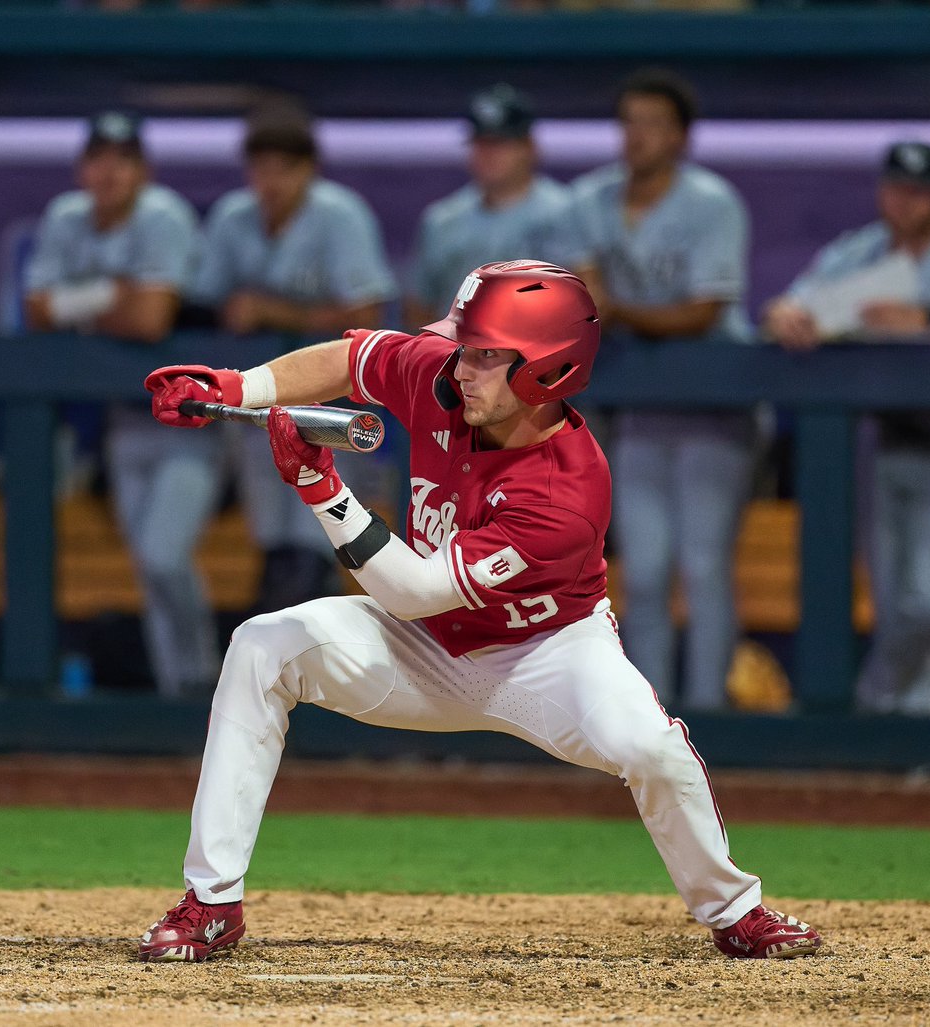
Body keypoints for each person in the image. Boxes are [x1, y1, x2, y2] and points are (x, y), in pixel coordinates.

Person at [138, 260, 822, 963]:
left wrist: (321, 488)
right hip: (421, 643)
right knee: (262, 644)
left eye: (489, 354)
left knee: (654, 751)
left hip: (547, 655)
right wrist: (234, 386)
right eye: (468, 345)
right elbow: (352, 358)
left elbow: (409, 587)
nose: (465, 366)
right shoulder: (445, 377)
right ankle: (212, 903)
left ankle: (735, 909)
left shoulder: (566, 490)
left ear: (549, 370)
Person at [763, 141, 930, 717]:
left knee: (929, 600)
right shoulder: (860, 252)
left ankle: (873, 699)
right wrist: (785, 315)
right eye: (897, 187)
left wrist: (928, 319)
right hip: (879, 439)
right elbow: (787, 306)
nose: (906, 200)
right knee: (894, 600)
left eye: (920, 190)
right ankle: (911, 727)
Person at [567, 68, 755, 712]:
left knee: (701, 568)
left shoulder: (712, 201)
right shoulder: (590, 199)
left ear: (680, 136)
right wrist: (601, 303)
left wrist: (616, 308)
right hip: (641, 413)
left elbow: (704, 310)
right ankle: (648, 717)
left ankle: (708, 716)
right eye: (629, 122)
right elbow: (579, 293)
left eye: (652, 124)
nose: (636, 136)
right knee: (643, 573)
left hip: (714, 410)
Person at [24, 110, 220, 698]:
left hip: (193, 421)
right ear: (83, 167)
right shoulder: (65, 217)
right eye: (99, 158)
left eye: (123, 159)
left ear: (143, 169)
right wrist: (114, 292)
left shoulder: (163, 216)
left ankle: (208, 678)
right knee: (150, 570)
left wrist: (80, 304)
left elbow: (151, 317)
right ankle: (176, 692)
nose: (109, 171)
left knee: (164, 557)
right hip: (122, 420)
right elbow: (35, 311)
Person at [186, 103, 397, 613]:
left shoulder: (338, 215)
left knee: (317, 540)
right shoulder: (234, 218)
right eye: (262, 167)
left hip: (330, 400)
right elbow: (198, 301)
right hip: (258, 398)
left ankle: (323, 673)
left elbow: (367, 315)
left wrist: (270, 309)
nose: (272, 181)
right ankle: (288, 669)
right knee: (275, 544)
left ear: (310, 169)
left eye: (286, 167)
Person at [405, 83, 576, 328]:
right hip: (455, 357)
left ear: (529, 147)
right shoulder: (441, 219)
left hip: (539, 359)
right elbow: (418, 308)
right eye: (480, 142)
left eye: (500, 143)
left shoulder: (566, 212)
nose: (488, 153)